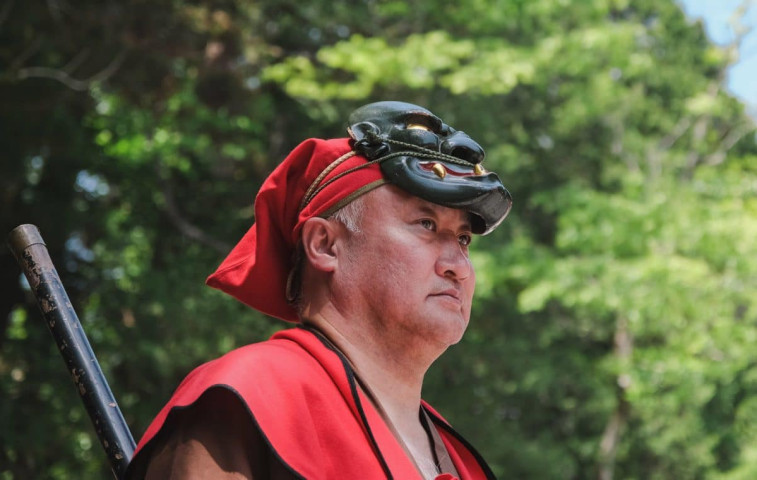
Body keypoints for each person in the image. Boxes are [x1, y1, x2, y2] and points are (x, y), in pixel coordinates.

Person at [124, 101, 512, 480]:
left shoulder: (463, 461)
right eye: (425, 224)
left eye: (463, 239)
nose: (458, 266)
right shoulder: (250, 395)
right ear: (325, 245)